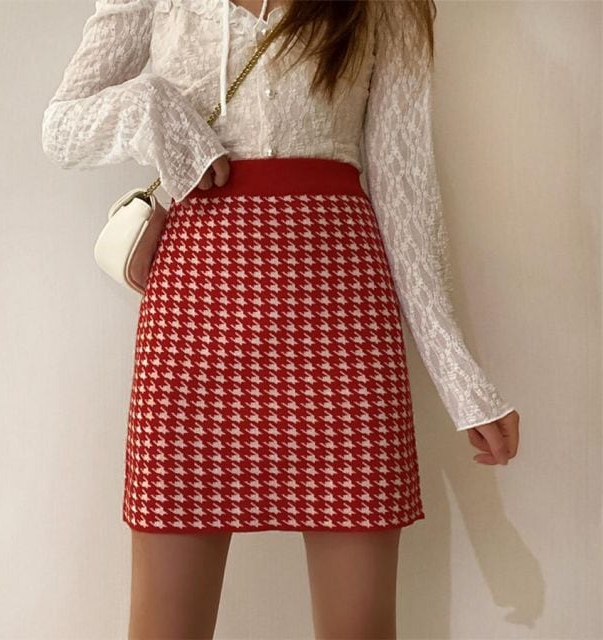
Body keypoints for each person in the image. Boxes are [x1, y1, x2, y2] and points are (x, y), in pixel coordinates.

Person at [41, 0, 521, 637]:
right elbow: (62, 128)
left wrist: (463, 382)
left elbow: (405, 191)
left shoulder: (387, 6)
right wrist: (151, 109)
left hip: (343, 323)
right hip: (194, 328)